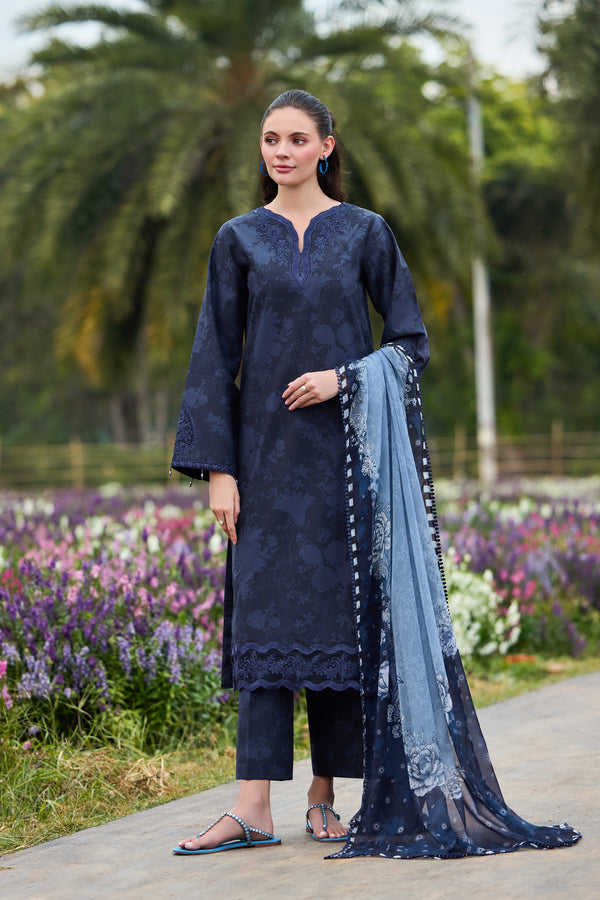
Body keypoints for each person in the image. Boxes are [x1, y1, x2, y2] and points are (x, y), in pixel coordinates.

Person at [170, 90, 581, 859]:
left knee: (340, 626)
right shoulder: (239, 238)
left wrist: (345, 379)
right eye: (270, 139)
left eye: (297, 139)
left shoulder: (365, 233)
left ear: (327, 146)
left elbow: (410, 342)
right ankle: (251, 808)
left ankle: (326, 796)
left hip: (348, 460)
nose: (281, 151)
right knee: (263, 629)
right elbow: (212, 356)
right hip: (263, 463)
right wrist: (218, 470)